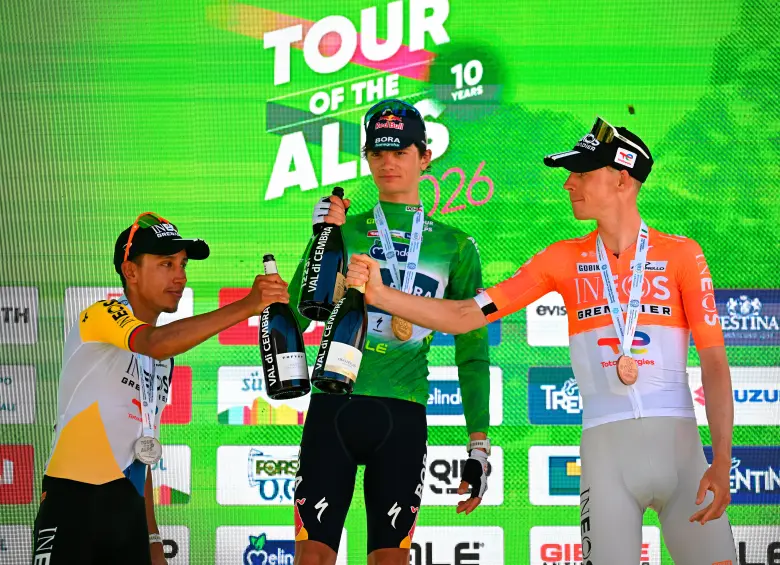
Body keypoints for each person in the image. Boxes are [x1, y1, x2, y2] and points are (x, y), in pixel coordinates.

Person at [347, 117, 738, 565]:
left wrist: (722, 459)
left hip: (684, 459)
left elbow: (715, 364)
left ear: (622, 179)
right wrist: (381, 295)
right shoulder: (561, 259)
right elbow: (464, 315)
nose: (569, 183)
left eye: (582, 173)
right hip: (607, 460)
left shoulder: (682, 254)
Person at [289, 99, 493, 565]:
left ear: (425, 157)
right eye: (377, 152)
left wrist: (478, 443)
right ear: (366, 158)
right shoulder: (344, 230)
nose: (388, 163)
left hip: (403, 413)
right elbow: (298, 318)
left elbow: (472, 349)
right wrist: (320, 238)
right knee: (311, 559)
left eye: (400, 152)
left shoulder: (455, 245)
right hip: (334, 405)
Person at [31, 212, 289, 565]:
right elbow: (154, 341)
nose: (180, 276)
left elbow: (142, 447)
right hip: (73, 502)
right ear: (131, 271)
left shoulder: (163, 359)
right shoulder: (101, 315)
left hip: (129, 512)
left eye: (183, 265)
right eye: (167, 264)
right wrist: (247, 305)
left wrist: (152, 536)